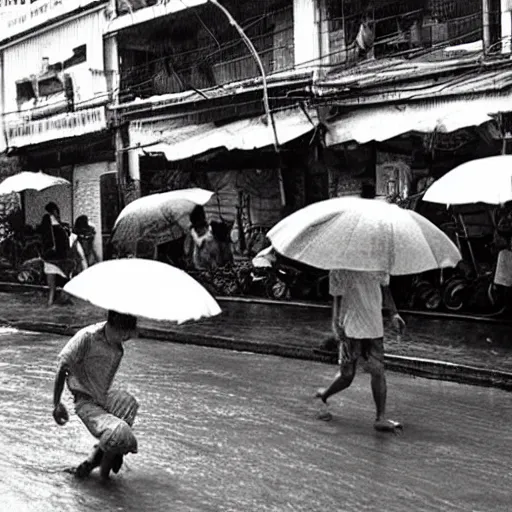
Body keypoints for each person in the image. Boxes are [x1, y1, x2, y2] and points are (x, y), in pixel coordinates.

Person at [52, 310, 139, 480]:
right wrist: (56, 404)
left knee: (128, 403)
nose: (125, 338)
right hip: (84, 401)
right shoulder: (87, 337)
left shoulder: (118, 349)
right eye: (123, 333)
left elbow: (103, 383)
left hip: (101, 397)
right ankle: (104, 479)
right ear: (112, 324)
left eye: (127, 334)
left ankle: (98, 458)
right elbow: (62, 366)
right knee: (120, 431)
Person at [316, 269, 406, 431]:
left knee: (378, 371)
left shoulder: (378, 261)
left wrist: (394, 313)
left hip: (373, 324)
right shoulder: (339, 265)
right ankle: (325, 395)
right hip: (350, 325)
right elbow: (336, 296)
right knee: (347, 375)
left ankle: (380, 417)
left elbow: (385, 288)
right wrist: (336, 323)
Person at [40, 202, 73, 306]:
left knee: (52, 286)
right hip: (59, 257)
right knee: (66, 281)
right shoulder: (59, 226)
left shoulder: (47, 222)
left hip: (49, 257)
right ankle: (62, 300)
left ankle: (50, 302)